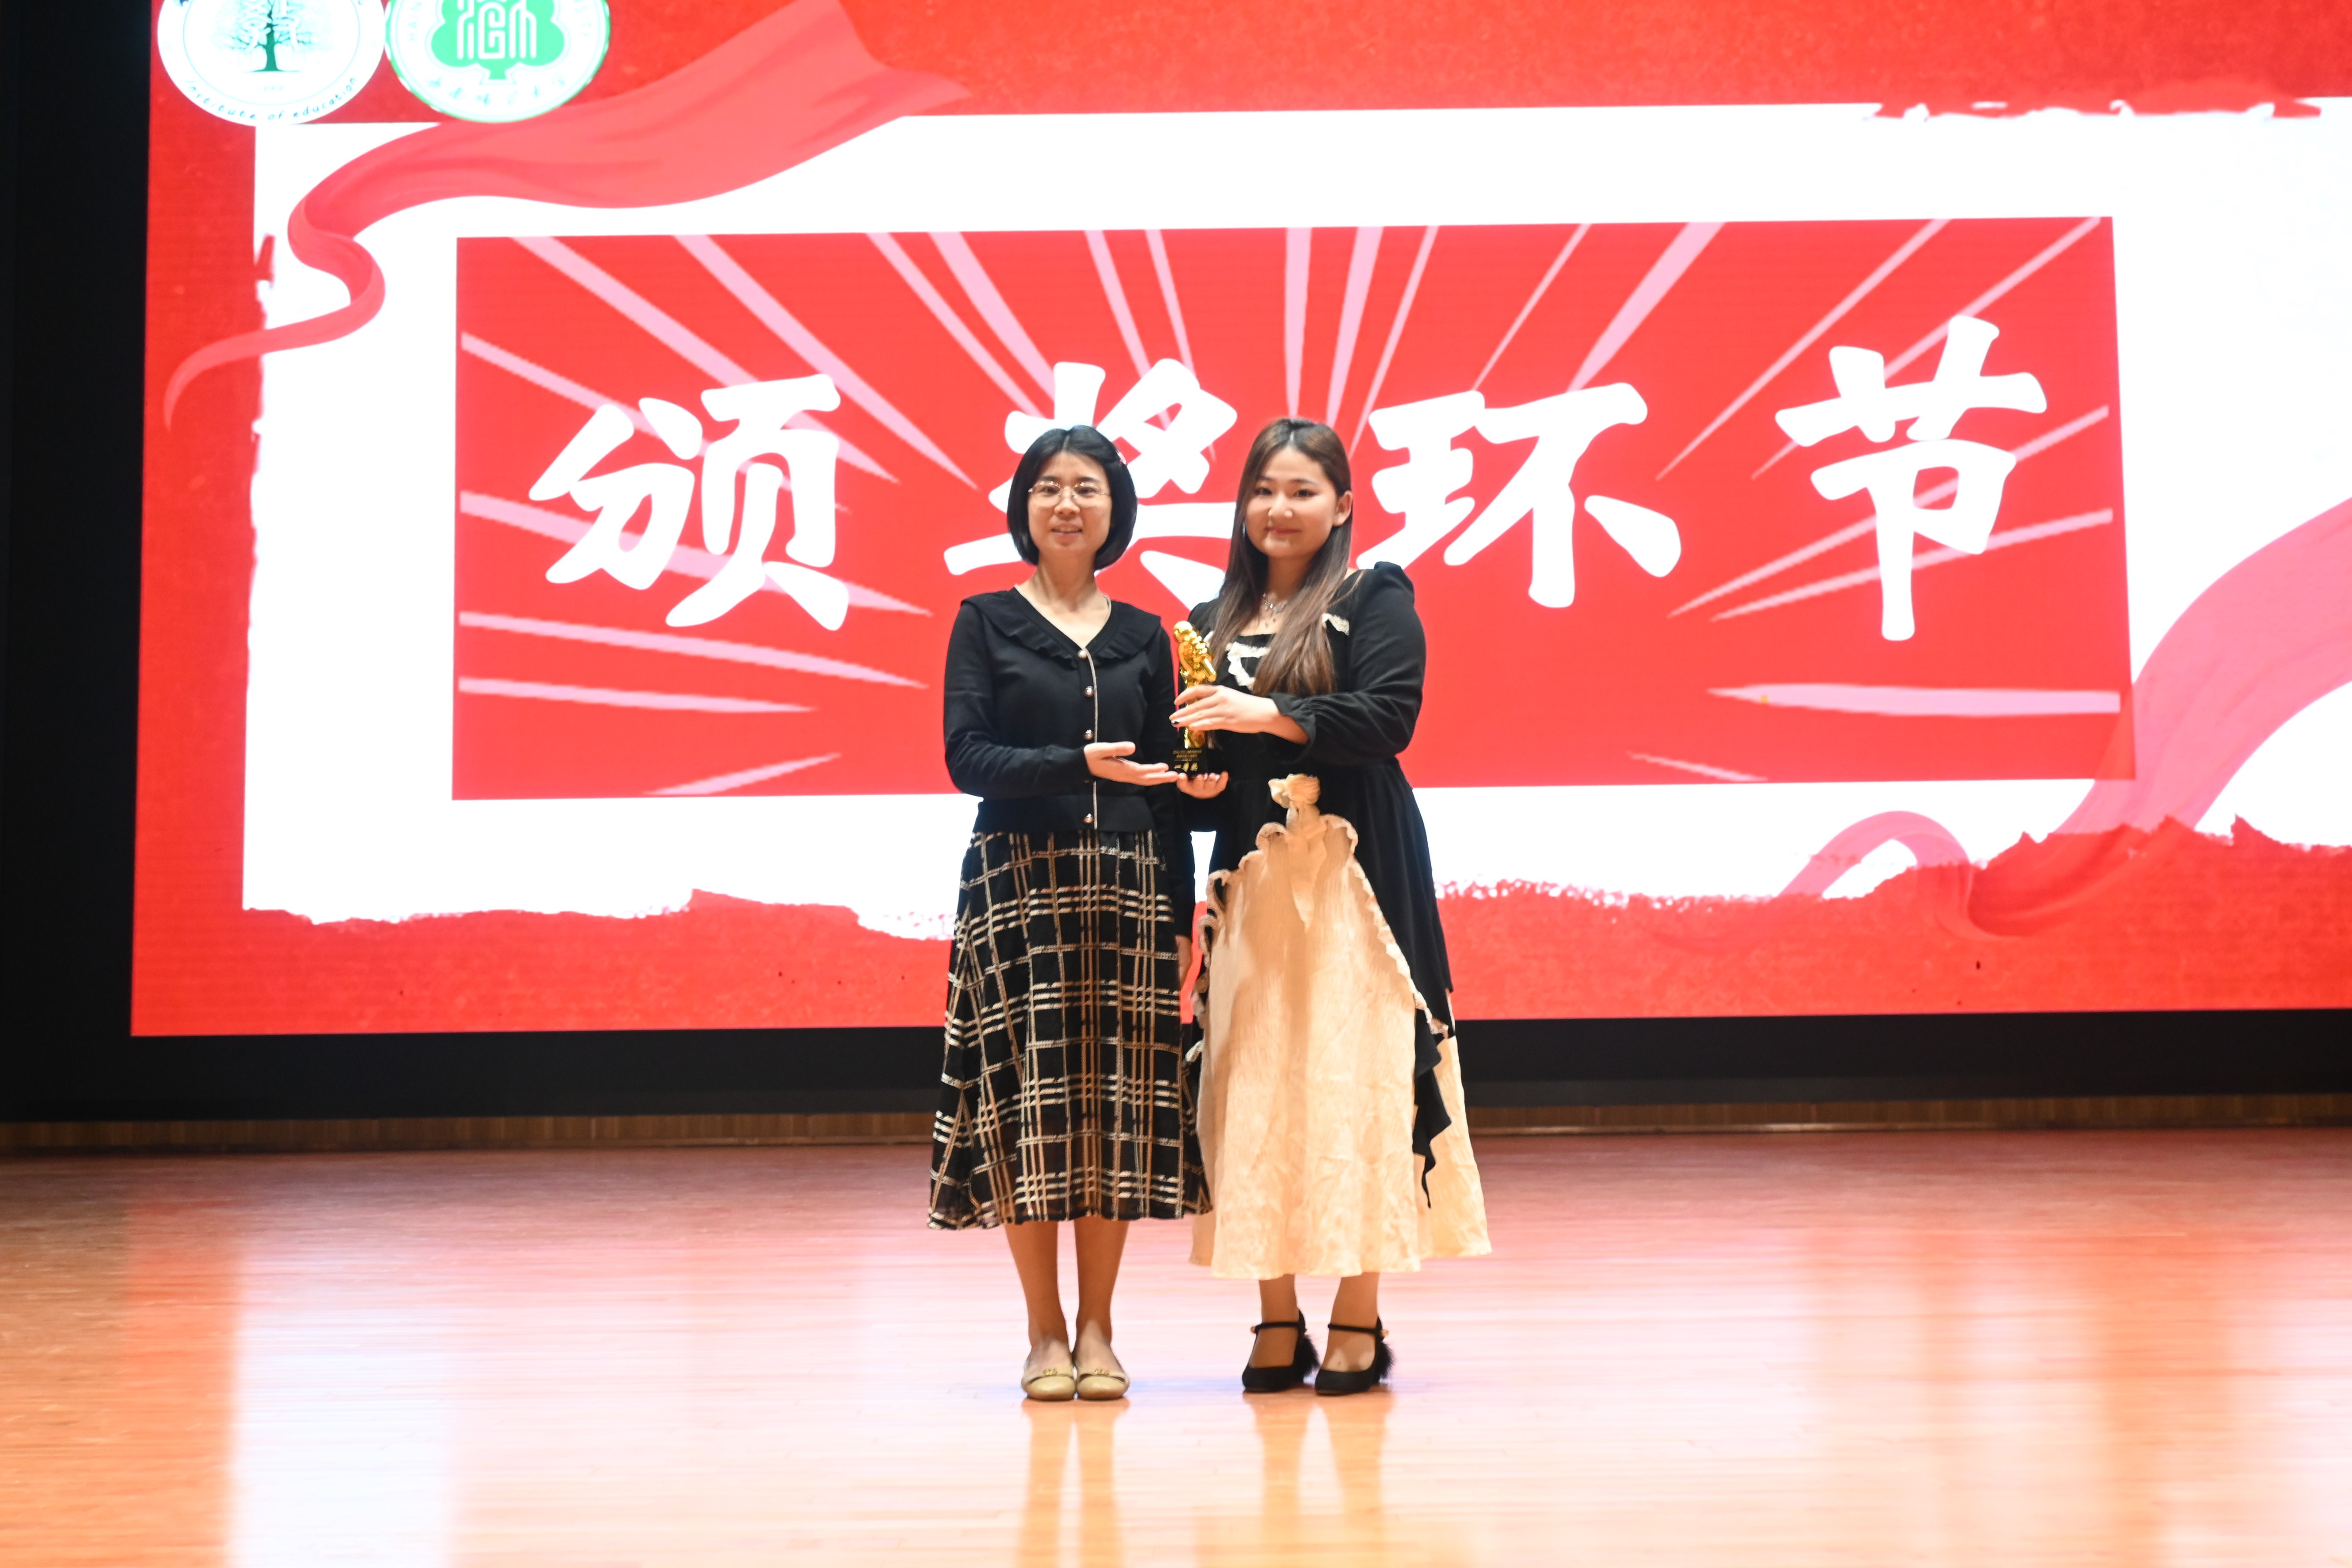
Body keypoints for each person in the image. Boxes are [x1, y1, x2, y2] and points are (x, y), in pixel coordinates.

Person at [1169, 417, 1489, 1396]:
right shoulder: (1206, 619)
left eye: (1302, 490)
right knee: (1254, 1081)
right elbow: (1210, 766)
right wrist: (1193, 781)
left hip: (1359, 880)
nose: (1279, 507)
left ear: (1342, 504)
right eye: (1264, 489)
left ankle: (1358, 1311)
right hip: (1254, 885)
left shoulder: (1372, 595)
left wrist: (1266, 712)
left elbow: (1389, 716)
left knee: (1361, 1082)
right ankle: (1276, 1315)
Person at [931, 425, 1203, 1403]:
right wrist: (1073, 765)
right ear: (1024, 507)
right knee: (1030, 1108)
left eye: (1086, 487)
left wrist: (1182, 909)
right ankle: (1043, 1330)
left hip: (1130, 886)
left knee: (1113, 1111)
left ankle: (1099, 1327)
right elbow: (966, 757)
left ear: (1114, 508)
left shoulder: (1149, 635)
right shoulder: (985, 620)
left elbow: (1166, 785)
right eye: (1047, 487)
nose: (1066, 504)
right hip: (1019, 882)